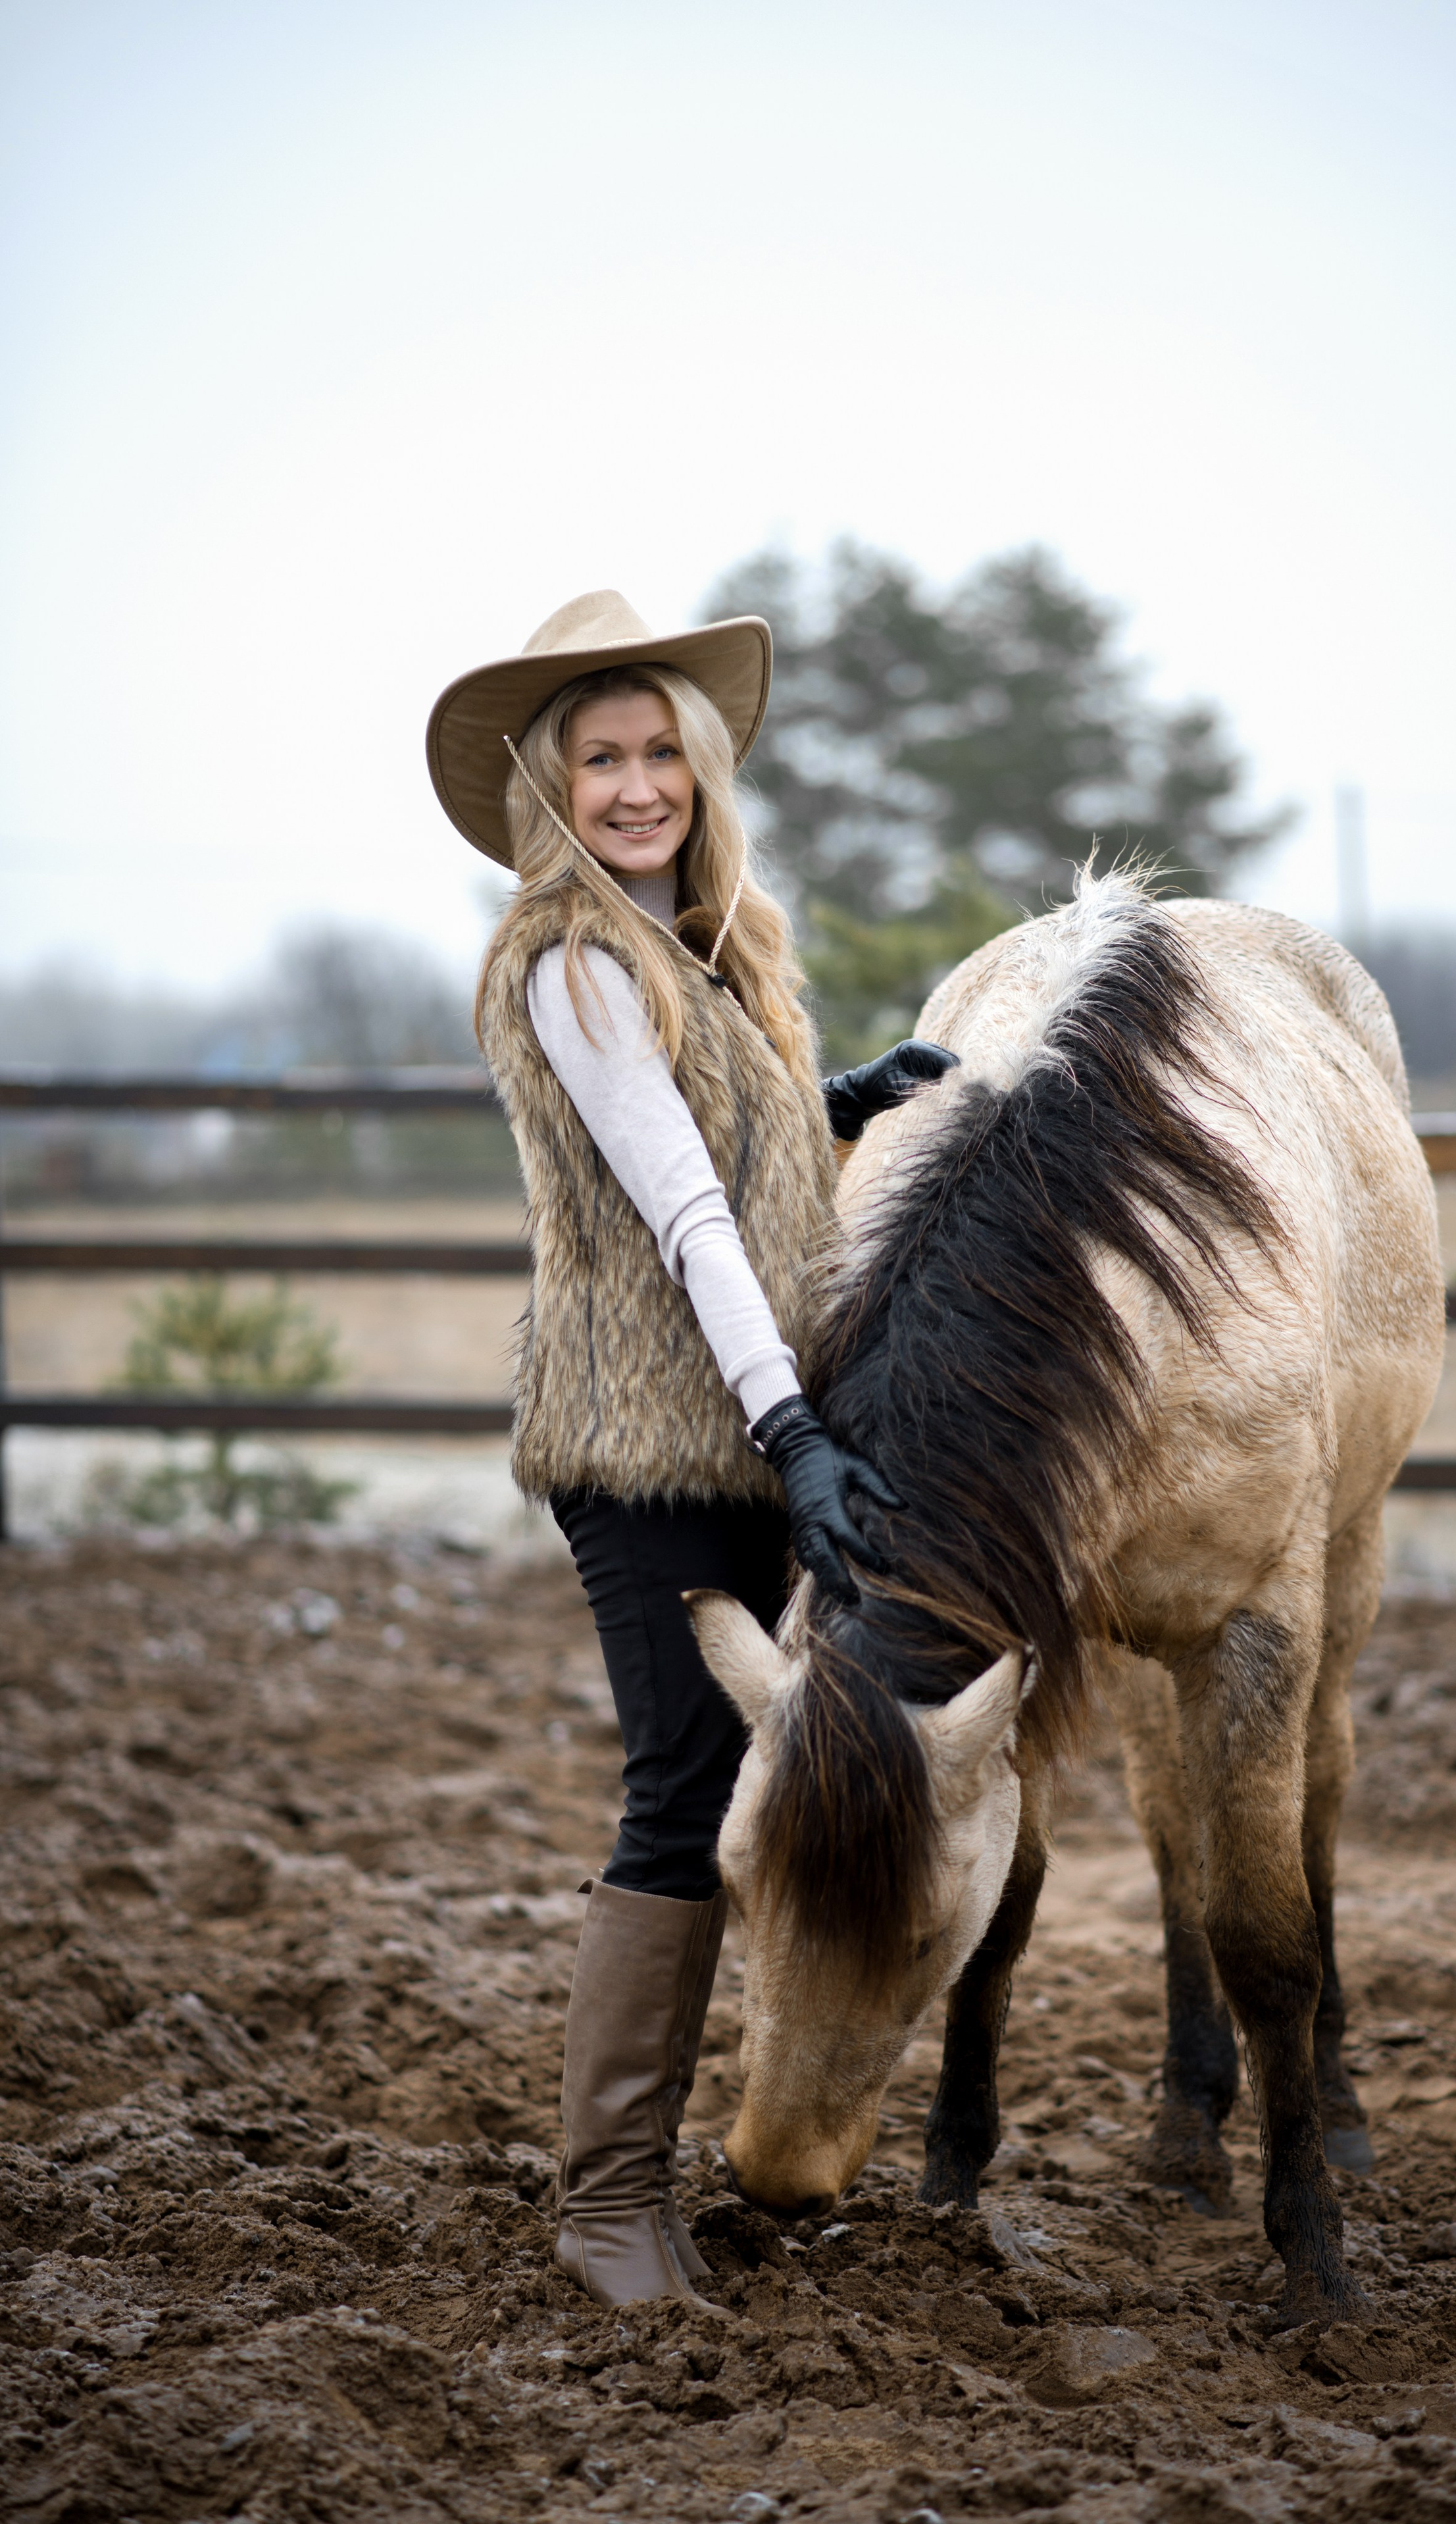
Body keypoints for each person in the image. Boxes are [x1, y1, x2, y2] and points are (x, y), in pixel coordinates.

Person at [426, 590, 956, 2308]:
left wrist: (838, 1102)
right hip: (648, 1445)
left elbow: (733, 1140)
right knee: (675, 1791)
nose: (640, 783)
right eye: (604, 756)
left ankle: (657, 2177)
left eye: (663, 750)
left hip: (732, 1440)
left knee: (730, 1785)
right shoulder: (572, 961)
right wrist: (797, 1425)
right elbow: (685, 1207)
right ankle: (604, 2207)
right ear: (550, 783)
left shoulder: (704, 949)